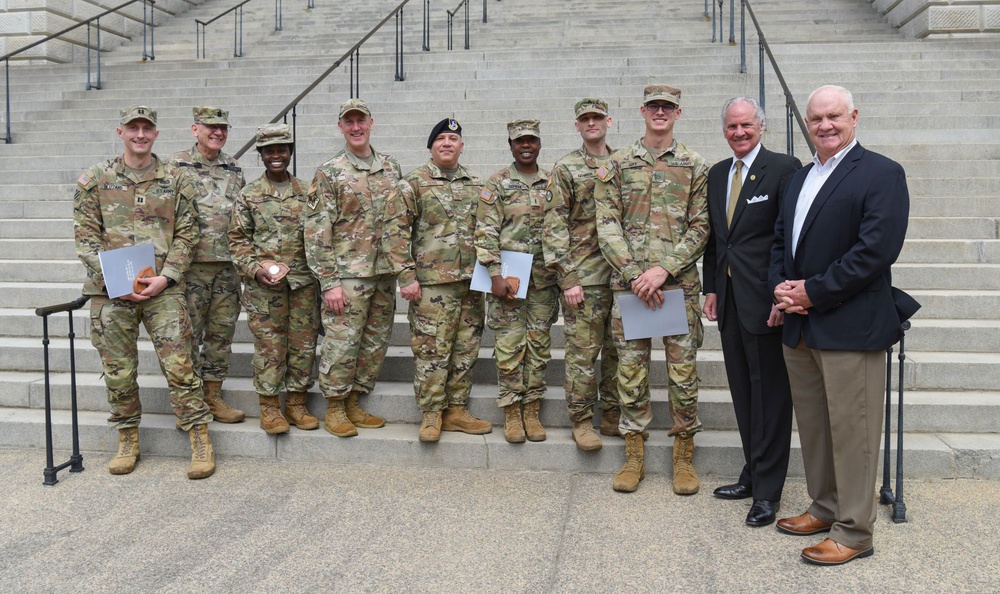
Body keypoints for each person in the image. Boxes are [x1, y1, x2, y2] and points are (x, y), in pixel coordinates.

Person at [769, 85, 910, 565]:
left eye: (834, 116)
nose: (825, 126)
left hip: (851, 325)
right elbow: (779, 243)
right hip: (801, 328)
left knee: (854, 430)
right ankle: (825, 506)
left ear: (854, 117)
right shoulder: (800, 177)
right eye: (816, 119)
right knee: (815, 427)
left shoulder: (881, 173)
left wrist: (813, 290)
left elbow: (875, 250)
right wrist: (779, 289)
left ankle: (854, 531)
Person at [74, 105, 215, 479]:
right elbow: (85, 239)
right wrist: (116, 283)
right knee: (118, 370)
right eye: (132, 127)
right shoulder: (96, 179)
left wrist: (166, 277)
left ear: (156, 134)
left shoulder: (176, 178)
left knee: (180, 363)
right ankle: (127, 437)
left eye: (146, 128)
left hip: (163, 288)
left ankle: (199, 436)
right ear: (120, 132)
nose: (140, 134)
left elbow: (188, 233)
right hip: (111, 291)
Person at [594, 84, 709, 494]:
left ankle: (683, 454)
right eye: (655, 106)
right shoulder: (619, 163)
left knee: (682, 373)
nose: (661, 112)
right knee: (630, 371)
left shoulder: (694, 164)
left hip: (677, 288)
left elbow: (702, 227)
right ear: (642, 110)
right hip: (631, 289)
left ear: (678, 113)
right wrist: (633, 273)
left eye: (669, 107)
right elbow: (605, 223)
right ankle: (634, 453)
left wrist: (663, 270)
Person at [703, 97, 800, 526]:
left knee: (770, 398)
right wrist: (711, 289)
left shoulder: (784, 168)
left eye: (746, 125)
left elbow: (790, 236)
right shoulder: (719, 173)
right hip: (728, 304)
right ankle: (751, 470)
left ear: (761, 126)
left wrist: (782, 296)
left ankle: (768, 492)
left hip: (766, 304)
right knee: (743, 395)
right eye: (731, 127)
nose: (738, 132)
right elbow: (716, 241)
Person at [382, 118, 492, 442]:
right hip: (431, 285)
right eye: (441, 138)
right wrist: (406, 275)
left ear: (461, 145)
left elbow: (489, 229)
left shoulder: (476, 183)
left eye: (453, 138)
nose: (447, 143)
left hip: (472, 282)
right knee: (431, 348)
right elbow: (394, 230)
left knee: (466, 347)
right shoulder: (412, 183)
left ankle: (456, 409)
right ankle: (431, 413)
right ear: (431, 146)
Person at [305, 99, 402, 438]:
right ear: (341, 127)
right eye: (350, 122)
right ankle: (334, 406)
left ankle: (355, 401)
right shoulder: (330, 171)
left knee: (375, 341)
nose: (356, 127)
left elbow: (400, 221)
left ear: (371, 123)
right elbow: (318, 228)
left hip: (384, 272)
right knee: (342, 342)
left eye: (361, 121)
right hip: (348, 276)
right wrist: (329, 282)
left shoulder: (391, 167)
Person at [228, 124, 321, 435]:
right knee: (270, 347)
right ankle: (269, 406)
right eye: (269, 151)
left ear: (290, 152)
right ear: (261, 156)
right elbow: (238, 241)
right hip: (264, 291)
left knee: (303, 345)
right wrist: (255, 269)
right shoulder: (249, 195)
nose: (276, 155)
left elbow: (320, 237)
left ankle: (296, 403)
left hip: (303, 285)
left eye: (282, 149)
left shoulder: (309, 192)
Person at [542, 98, 619, 452]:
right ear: (577, 125)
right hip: (585, 277)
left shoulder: (624, 163)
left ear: (609, 121)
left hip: (623, 276)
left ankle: (615, 414)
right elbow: (554, 224)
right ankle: (582, 420)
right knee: (582, 354)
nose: (591, 123)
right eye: (584, 119)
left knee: (621, 351)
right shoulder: (566, 168)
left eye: (597, 117)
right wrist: (567, 278)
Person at [476, 119, 559, 443]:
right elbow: (485, 231)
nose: (526, 146)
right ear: (510, 145)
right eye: (519, 141)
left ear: (539, 144)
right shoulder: (496, 184)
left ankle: (531, 410)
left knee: (538, 348)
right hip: (506, 282)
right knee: (509, 348)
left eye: (531, 140)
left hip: (542, 282)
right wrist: (494, 275)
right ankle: (512, 412)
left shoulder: (552, 181)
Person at [171, 106, 246, 425]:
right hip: (190, 268)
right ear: (195, 129)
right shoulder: (175, 166)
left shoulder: (234, 167)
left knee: (221, 334)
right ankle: (187, 401)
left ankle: (213, 395)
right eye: (211, 127)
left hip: (228, 268)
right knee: (186, 335)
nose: (218, 132)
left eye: (223, 128)